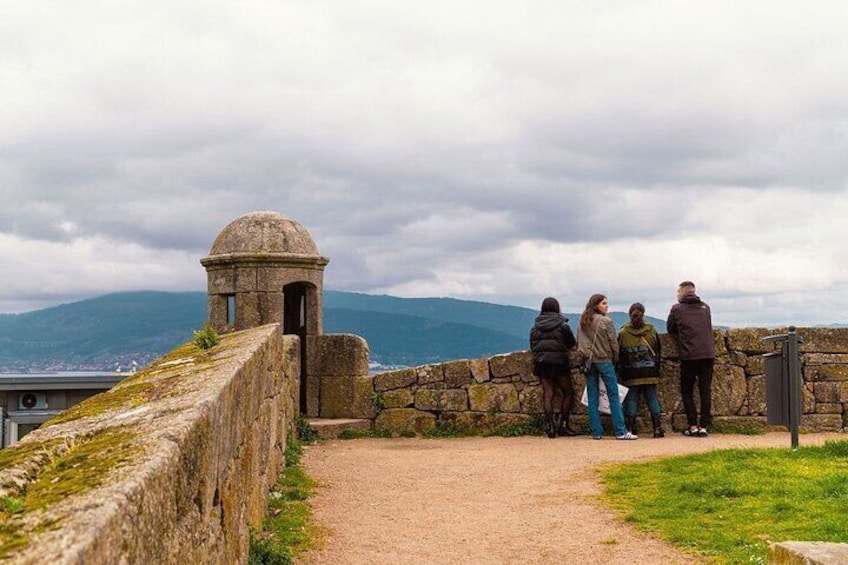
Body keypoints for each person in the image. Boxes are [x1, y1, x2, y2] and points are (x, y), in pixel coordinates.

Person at [577, 294, 637, 440]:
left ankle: (596, 432)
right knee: (613, 395)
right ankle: (620, 431)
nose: (606, 306)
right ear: (596, 305)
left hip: (589, 362)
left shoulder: (582, 322)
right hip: (604, 360)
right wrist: (615, 359)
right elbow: (613, 344)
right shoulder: (605, 321)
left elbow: (579, 342)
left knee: (592, 397)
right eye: (604, 303)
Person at [667, 281, 715, 437]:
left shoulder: (677, 309)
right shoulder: (705, 307)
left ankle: (693, 425)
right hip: (708, 354)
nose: (677, 295)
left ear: (682, 292)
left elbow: (670, 328)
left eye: (678, 292)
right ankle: (704, 426)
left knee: (687, 390)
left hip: (689, 355)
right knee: (705, 390)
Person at [530, 297, 578, 438]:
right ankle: (563, 425)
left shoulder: (535, 327)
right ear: (557, 308)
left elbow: (533, 347)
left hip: (542, 364)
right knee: (568, 392)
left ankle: (550, 427)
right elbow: (571, 344)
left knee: (548, 394)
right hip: (559, 362)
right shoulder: (563, 326)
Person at [618, 303, 664, 438]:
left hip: (631, 372)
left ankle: (630, 428)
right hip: (650, 371)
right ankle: (657, 428)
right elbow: (658, 350)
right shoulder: (652, 331)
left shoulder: (623, 332)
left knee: (631, 399)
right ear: (643, 314)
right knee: (652, 398)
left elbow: (618, 353)